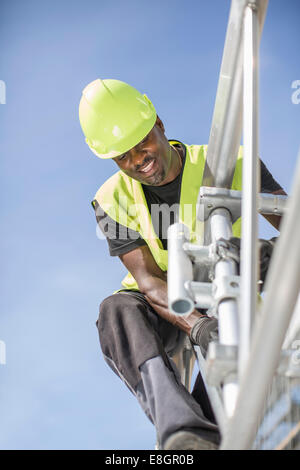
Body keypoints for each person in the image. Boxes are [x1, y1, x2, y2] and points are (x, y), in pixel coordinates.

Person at [78, 78, 286, 450]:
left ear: (158, 123)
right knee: (115, 310)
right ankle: (181, 433)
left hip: (224, 289)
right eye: (123, 156)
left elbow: (294, 230)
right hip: (163, 306)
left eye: (142, 144)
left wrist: (265, 257)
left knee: (231, 367)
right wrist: (198, 326)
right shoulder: (108, 201)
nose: (137, 160)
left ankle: (214, 434)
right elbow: (147, 281)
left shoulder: (231, 162)